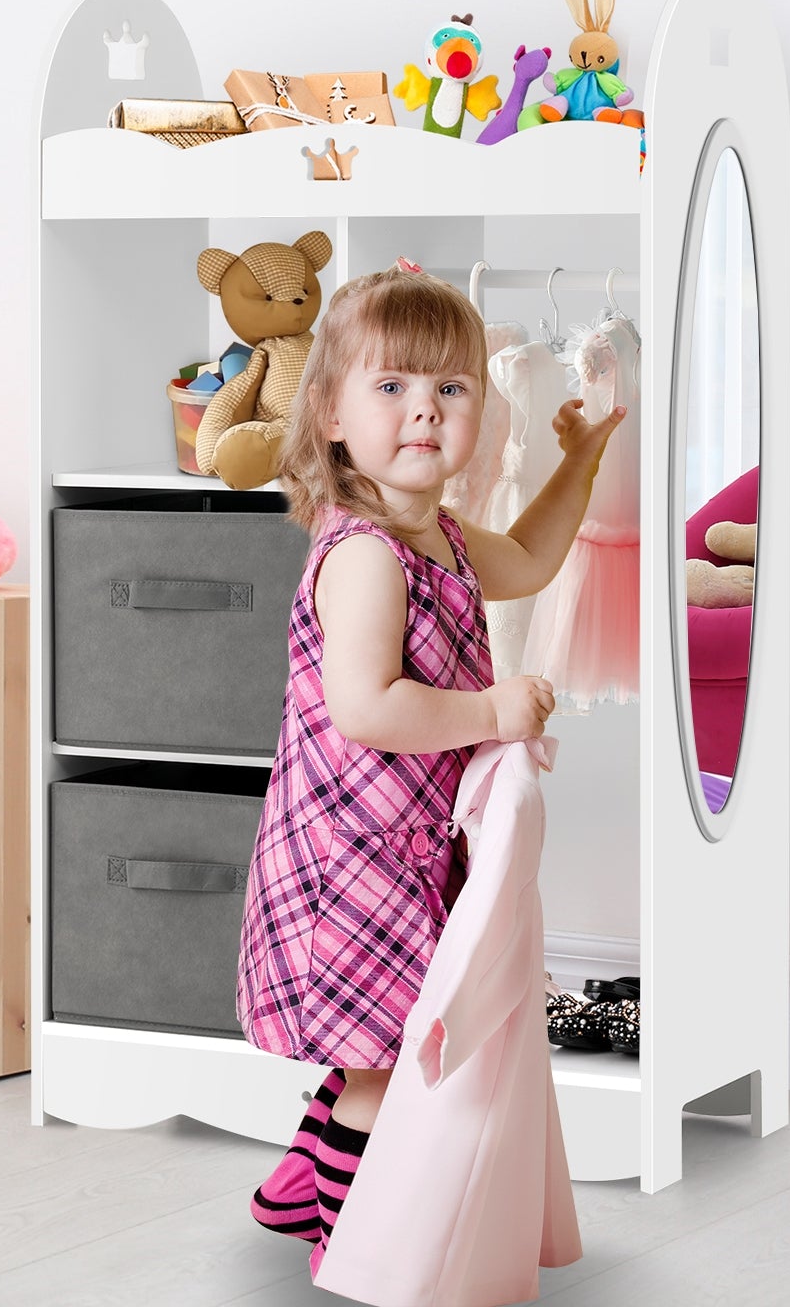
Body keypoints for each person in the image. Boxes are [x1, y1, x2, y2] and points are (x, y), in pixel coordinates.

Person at [237, 260, 624, 1253]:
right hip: (346, 856)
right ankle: (354, 1237)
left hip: (395, 845)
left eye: (450, 388)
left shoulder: (442, 535)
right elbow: (367, 708)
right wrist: (493, 707)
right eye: (393, 386)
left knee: (380, 1035)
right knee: (385, 1053)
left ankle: (297, 1185)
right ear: (328, 413)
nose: (424, 411)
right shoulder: (366, 553)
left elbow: (533, 560)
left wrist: (577, 460)